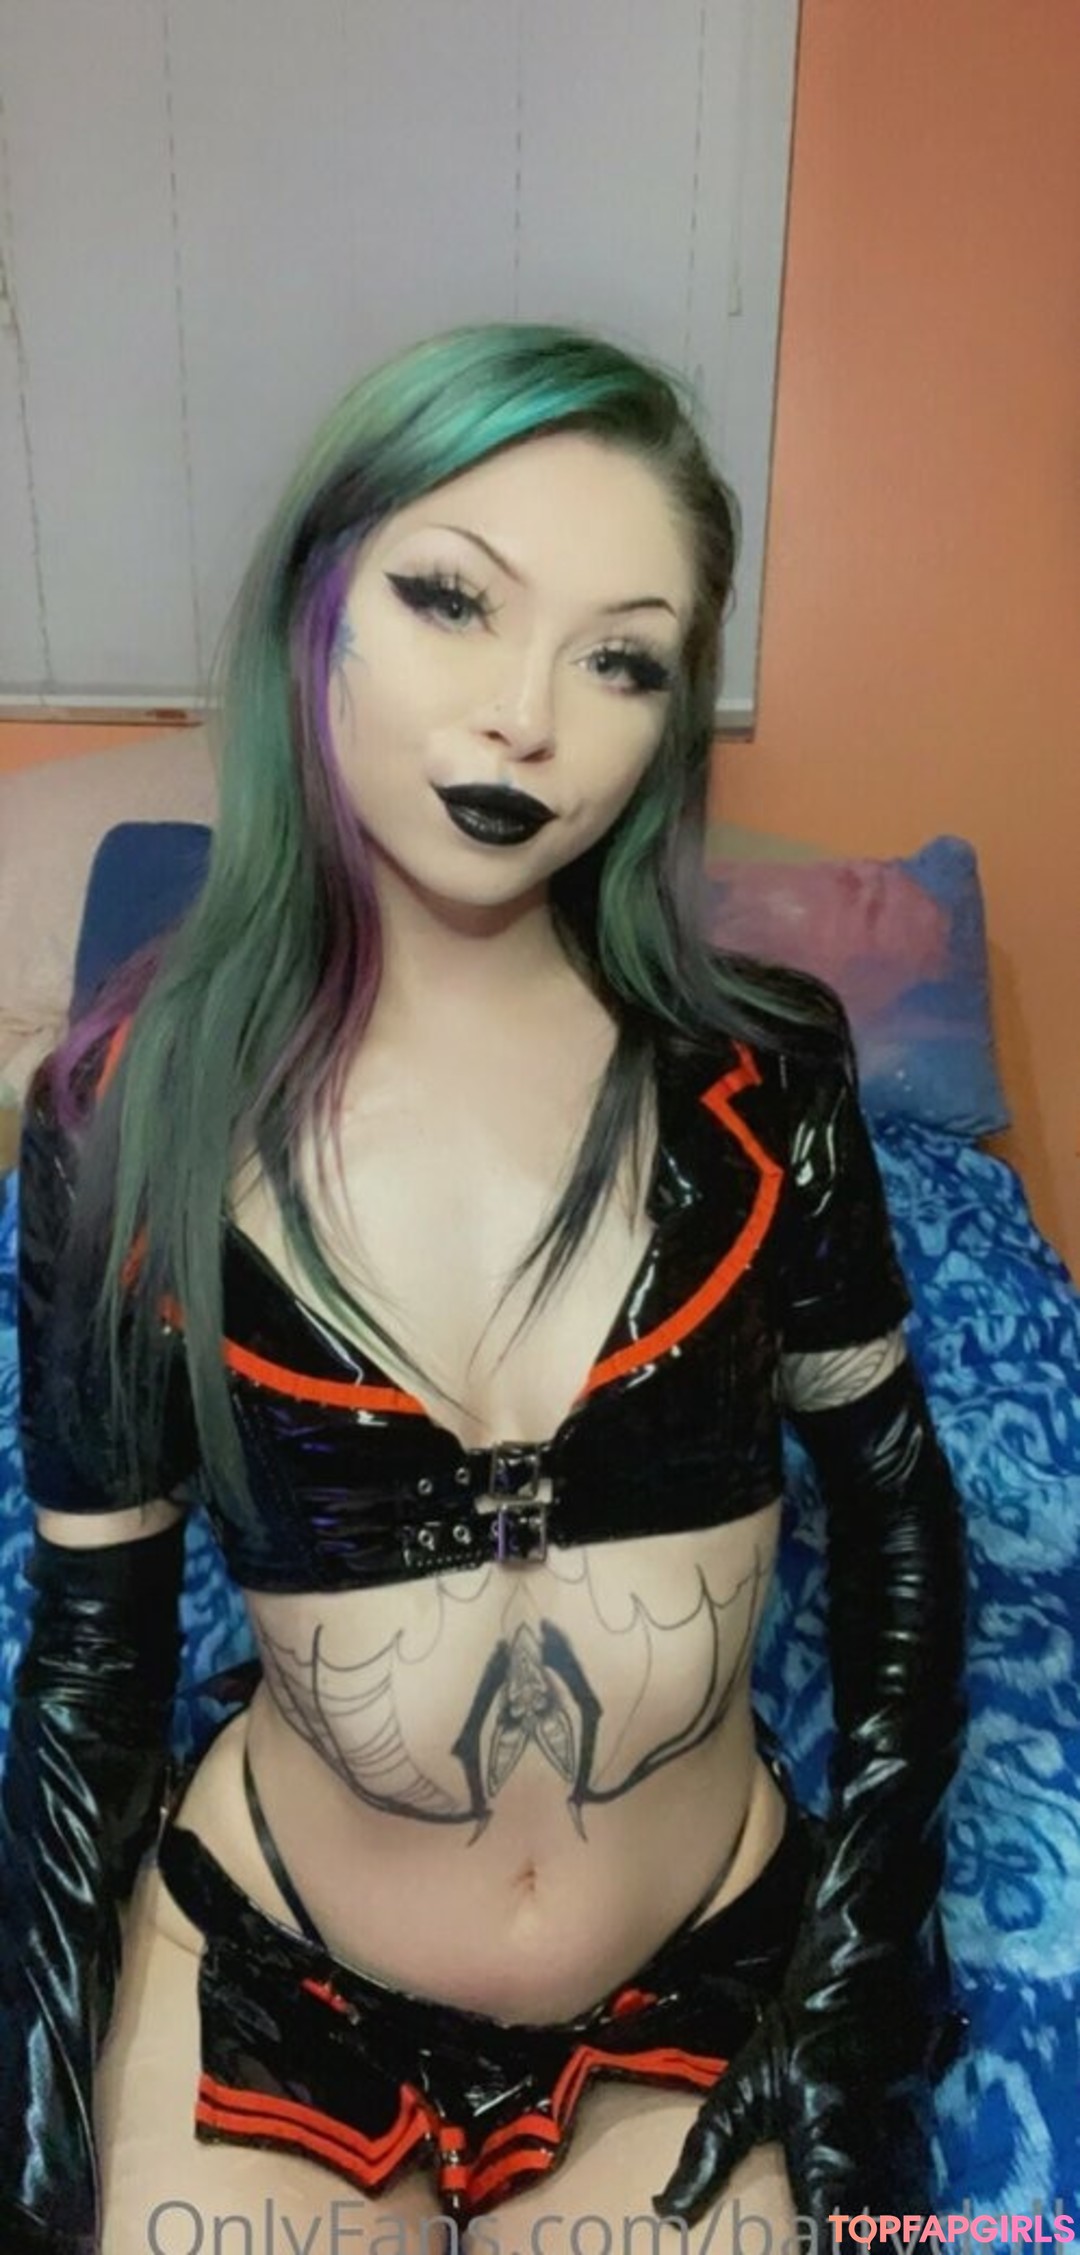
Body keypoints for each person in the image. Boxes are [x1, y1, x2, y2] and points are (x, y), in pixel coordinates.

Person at [1, 323, 969, 2255]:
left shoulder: (767, 1082)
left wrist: (868, 1938)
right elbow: (95, 1657)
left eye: (622, 657)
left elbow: (901, 1519)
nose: (529, 716)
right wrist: (35, 2109)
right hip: (275, 1970)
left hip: (700, 1977)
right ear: (317, 609)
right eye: (453, 599)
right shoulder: (119, 1124)